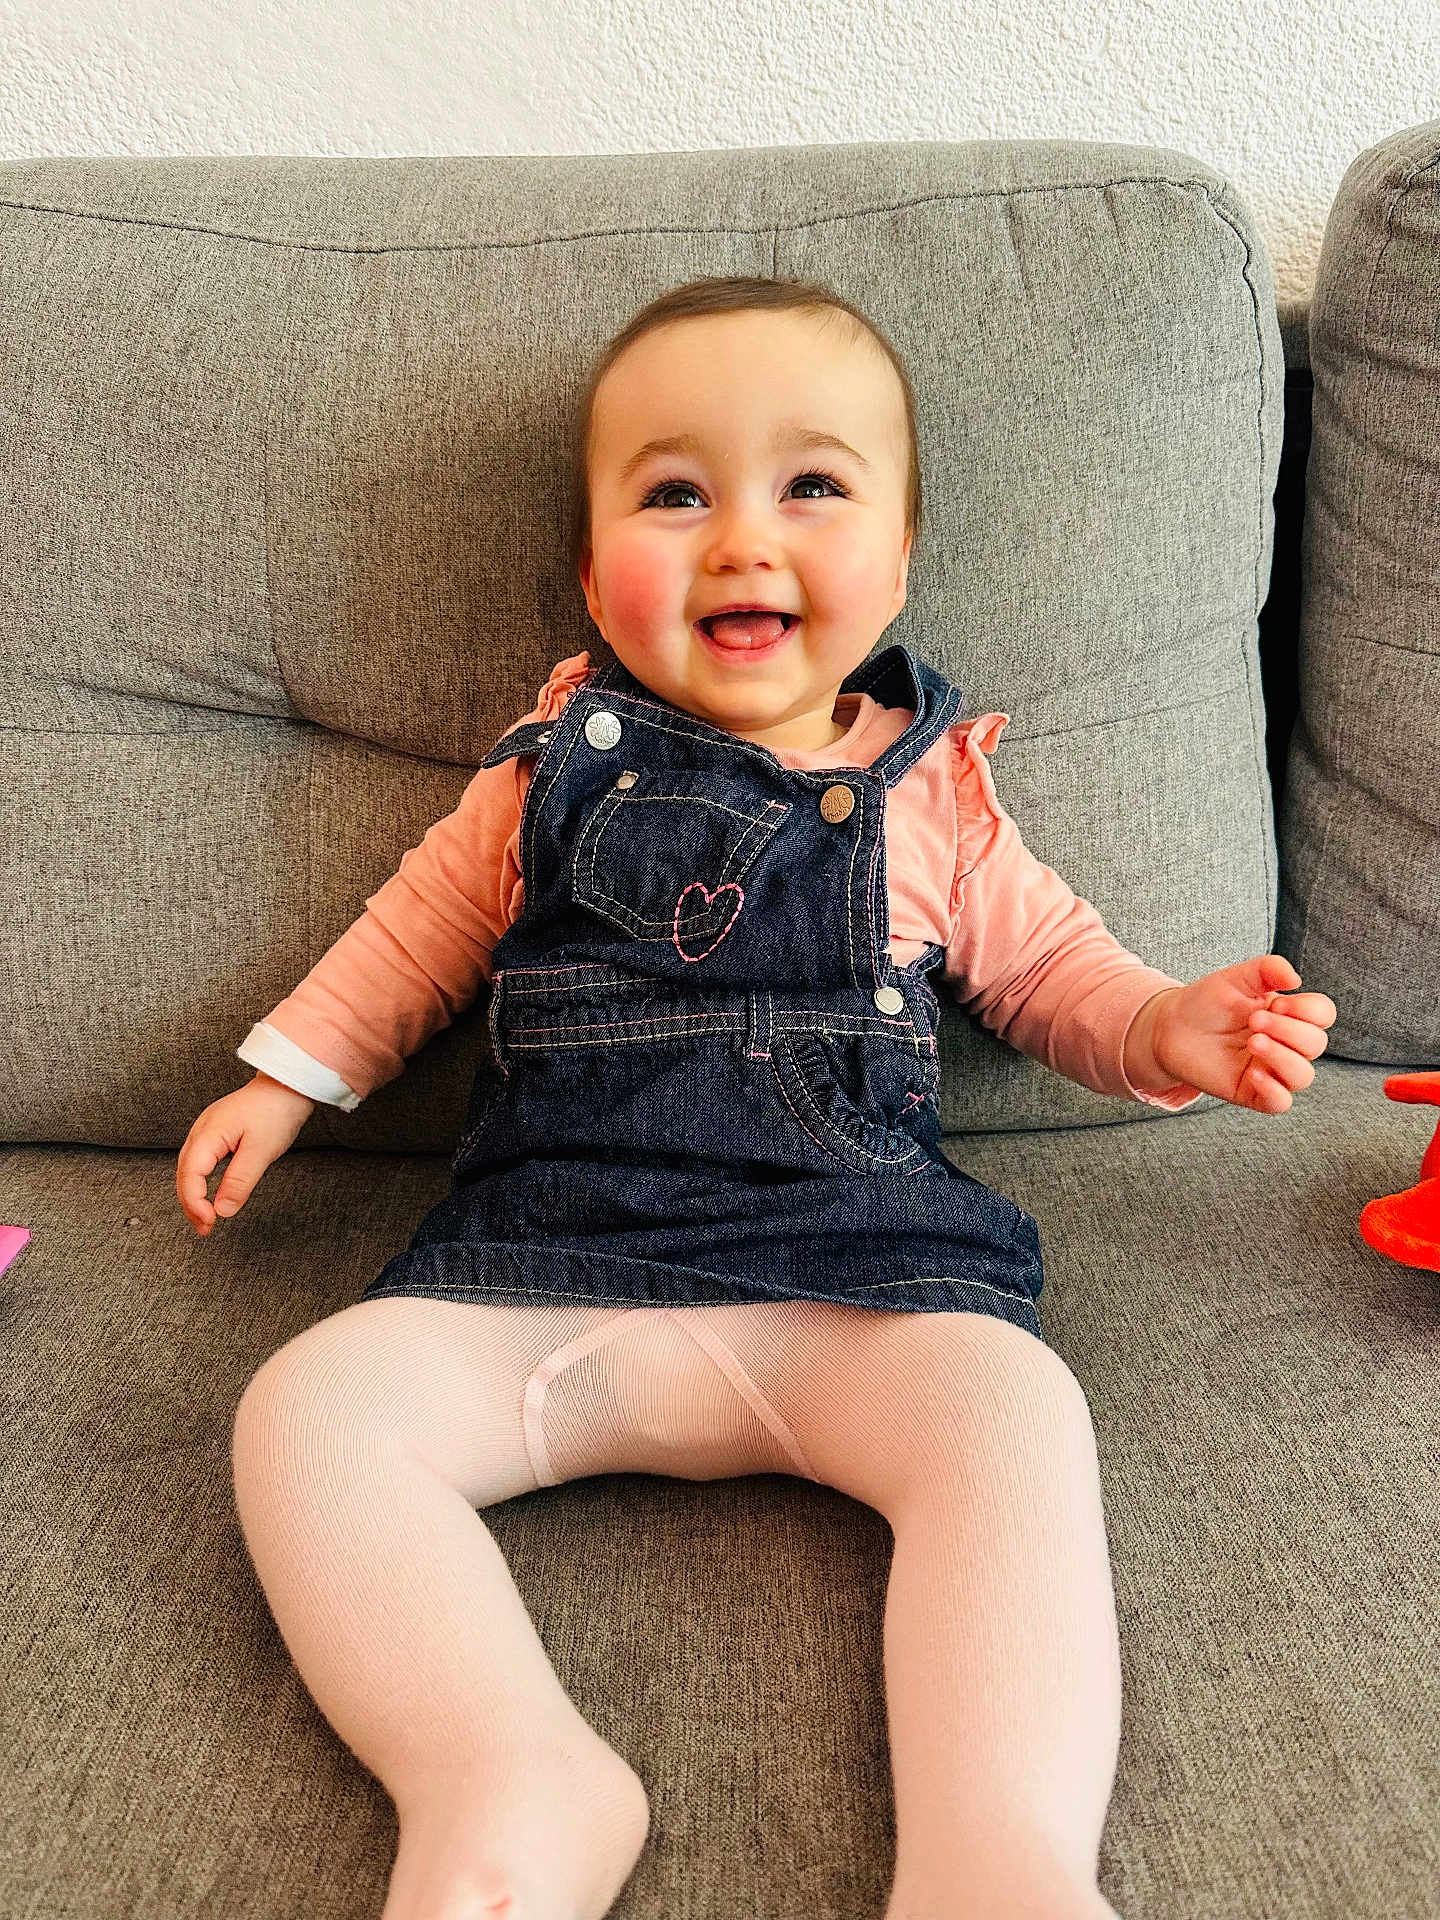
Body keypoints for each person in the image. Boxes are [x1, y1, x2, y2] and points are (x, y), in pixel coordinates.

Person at [176, 275, 1337, 1920]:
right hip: (547, 1273)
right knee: (307, 1413)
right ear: (592, 573)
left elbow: (1058, 976)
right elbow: (415, 938)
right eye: (674, 493)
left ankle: (995, 1861)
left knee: (1014, 1418)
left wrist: (1168, 1030)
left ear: (903, 557)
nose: (740, 539)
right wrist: (285, 1077)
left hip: (855, 1282)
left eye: (812, 485)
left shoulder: (934, 794)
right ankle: (507, 1779)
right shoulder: (548, 764)